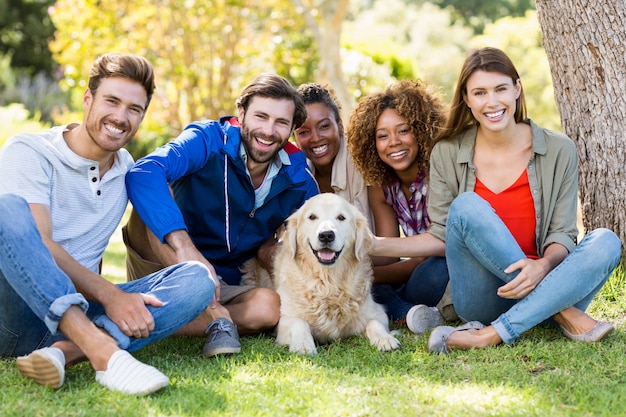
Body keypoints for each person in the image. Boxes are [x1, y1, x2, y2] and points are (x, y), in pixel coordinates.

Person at [371, 47, 621, 353]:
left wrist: (541, 267)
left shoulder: (559, 149)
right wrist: (371, 244)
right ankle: (560, 310)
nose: (492, 102)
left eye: (501, 89)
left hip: (548, 278)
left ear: (517, 88)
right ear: (466, 98)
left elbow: (562, 235)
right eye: (479, 92)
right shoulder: (448, 152)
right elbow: (441, 235)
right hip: (484, 294)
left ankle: (492, 334)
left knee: (606, 241)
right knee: (466, 206)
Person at [0, 53, 217, 395]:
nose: (121, 117)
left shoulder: (124, 169)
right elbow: (40, 243)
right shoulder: (29, 152)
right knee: (7, 210)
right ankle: (103, 353)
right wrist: (110, 294)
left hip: (77, 316)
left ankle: (65, 352)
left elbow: (93, 247)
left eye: (134, 109)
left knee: (198, 279)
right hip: (15, 318)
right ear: (88, 99)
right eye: (111, 101)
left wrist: (115, 295)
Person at [124, 73, 319, 357]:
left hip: (223, 282)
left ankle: (153, 320)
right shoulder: (206, 140)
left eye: (281, 123)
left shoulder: (299, 178)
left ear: (291, 129)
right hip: (164, 263)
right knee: (154, 201)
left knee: (268, 307)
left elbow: (323, 230)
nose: (268, 130)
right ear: (241, 113)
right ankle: (219, 319)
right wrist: (185, 250)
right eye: (260, 117)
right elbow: (144, 173)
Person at [347, 79, 452, 334]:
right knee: (365, 281)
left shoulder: (438, 173)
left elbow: (440, 249)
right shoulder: (381, 186)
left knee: (436, 269)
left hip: (444, 268)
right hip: (412, 272)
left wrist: (365, 274)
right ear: (373, 144)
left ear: (422, 130)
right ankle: (411, 314)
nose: (393, 142)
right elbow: (387, 256)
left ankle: (401, 312)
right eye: (382, 136)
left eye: (403, 130)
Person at [293, 83, 373, 230]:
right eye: (304, 132)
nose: (316, 138)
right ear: (294, 137)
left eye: (324, 126)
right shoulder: (293, 172)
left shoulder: (364, 160)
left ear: (340, 126)